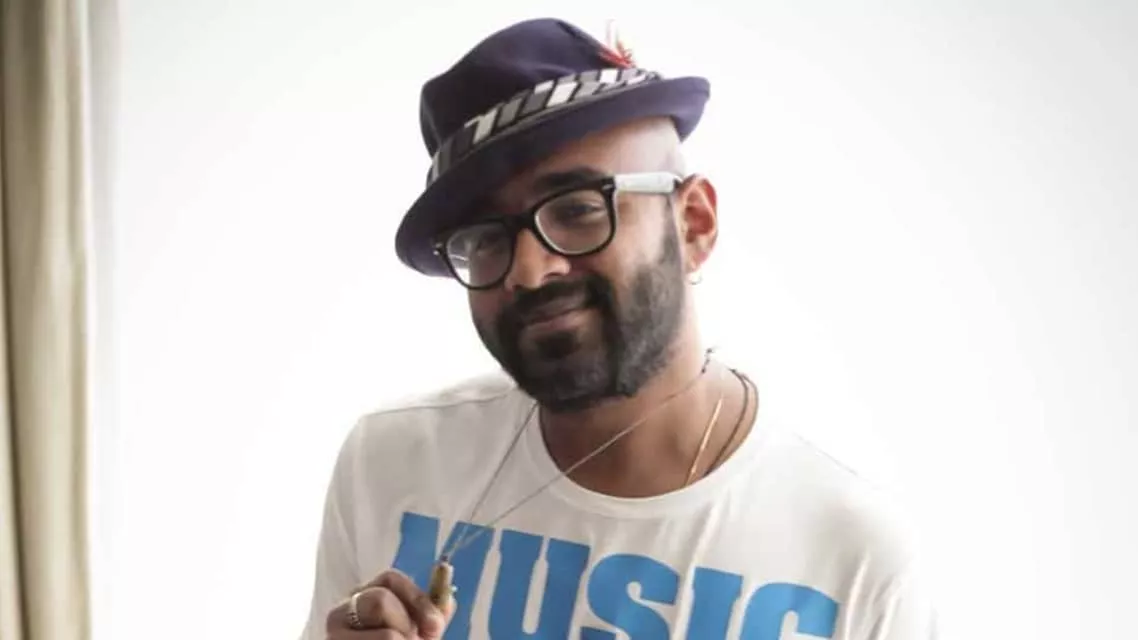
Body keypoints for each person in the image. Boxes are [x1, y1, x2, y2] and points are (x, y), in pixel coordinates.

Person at [301, 17, 938, 640]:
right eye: (484, 239)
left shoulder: (851, 556)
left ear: (693, 224)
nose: (530, 270)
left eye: (578, 210)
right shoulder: (394, 464)